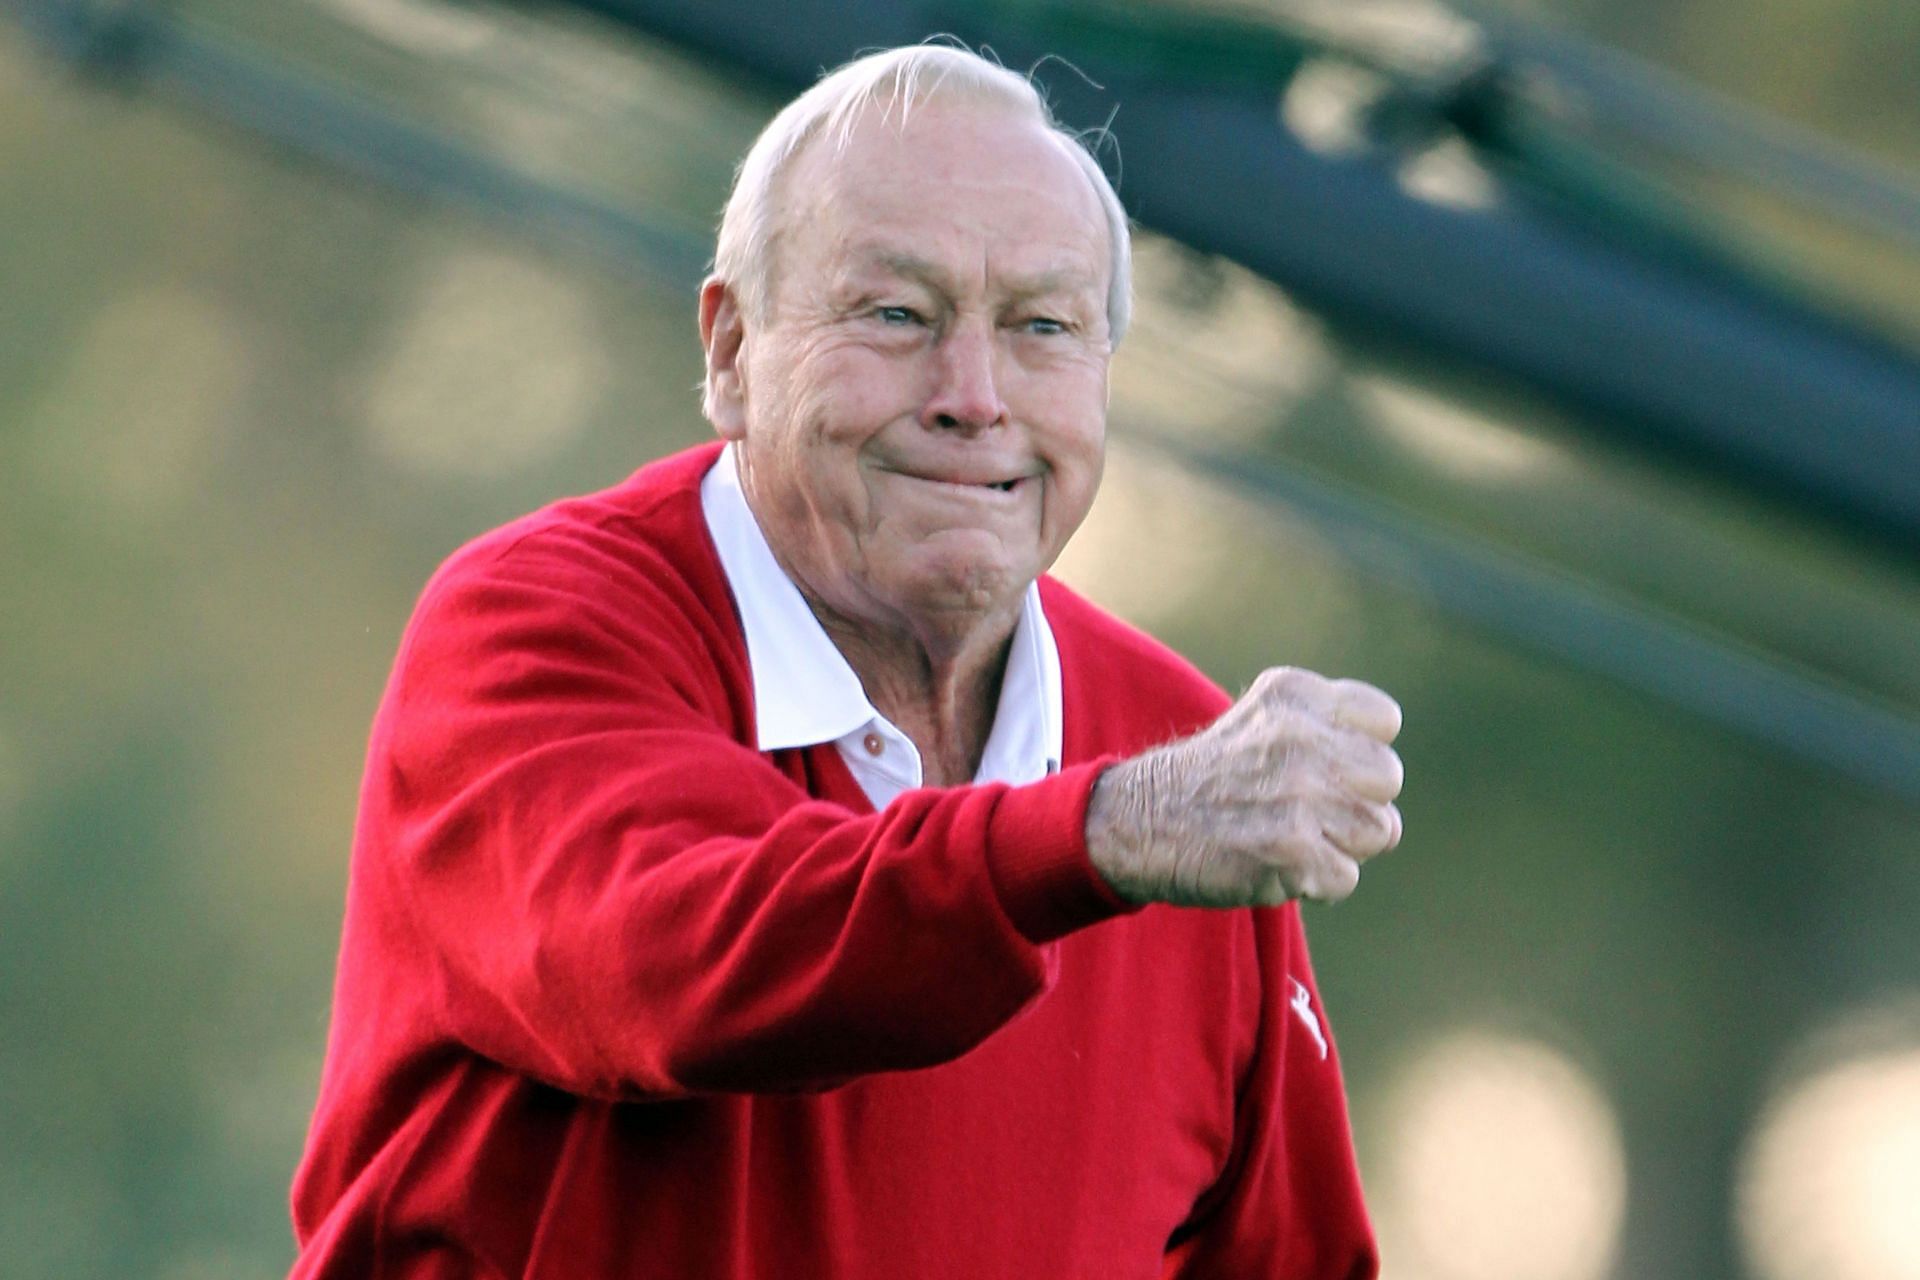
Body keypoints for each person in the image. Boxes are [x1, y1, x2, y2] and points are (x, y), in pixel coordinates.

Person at [289, 42, 1404, 1280]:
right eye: (897, 315)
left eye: (1042, 326)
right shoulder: (536, 628)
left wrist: (1107, 822)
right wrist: (1090, 835)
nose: (972, 394)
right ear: (729, 353)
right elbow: (693, 964)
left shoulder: (1172, 754)